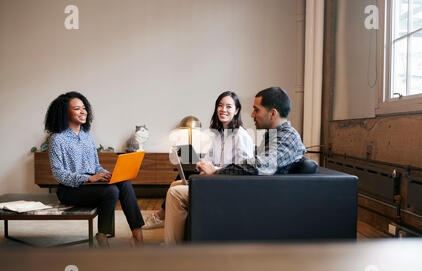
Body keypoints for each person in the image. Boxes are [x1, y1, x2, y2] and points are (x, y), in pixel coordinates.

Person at [164, 87, 306, 244]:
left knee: (176, 193)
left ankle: (172, 249)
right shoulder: (274, 136)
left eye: (256, 110)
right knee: (177, 183)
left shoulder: (287, 138)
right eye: (220, 105)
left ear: (272, 113)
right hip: (249, 187)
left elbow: (257, 166)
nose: (252, 114)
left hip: (246, 193)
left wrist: (216, 172)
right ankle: (178, 237)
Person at [45, 91, 145, 247]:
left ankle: (137, 234)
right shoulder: (57, 139)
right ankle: (102, 235)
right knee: (111, 191)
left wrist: (106, 174)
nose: (83, 111)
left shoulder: (87, 136)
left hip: (92, 184)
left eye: (84, 108)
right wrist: (87, 178)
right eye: (77, 108)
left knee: (123, 182)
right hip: (70, 190)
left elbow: (95, 166)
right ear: (65, 112)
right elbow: (58, 173)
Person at [143, 91, 254, 229]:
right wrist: (202, 165)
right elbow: (210, 158)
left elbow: (242, 171)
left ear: (236, 111)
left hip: (226, 185)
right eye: (220, 105)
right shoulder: (218, 135)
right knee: (174, 184)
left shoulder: (241, 136)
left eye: (229, 106)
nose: (223, 109)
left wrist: (213, 170)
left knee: (174, 192)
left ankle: (165, 228)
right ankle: (165, 221)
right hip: (214, 180)